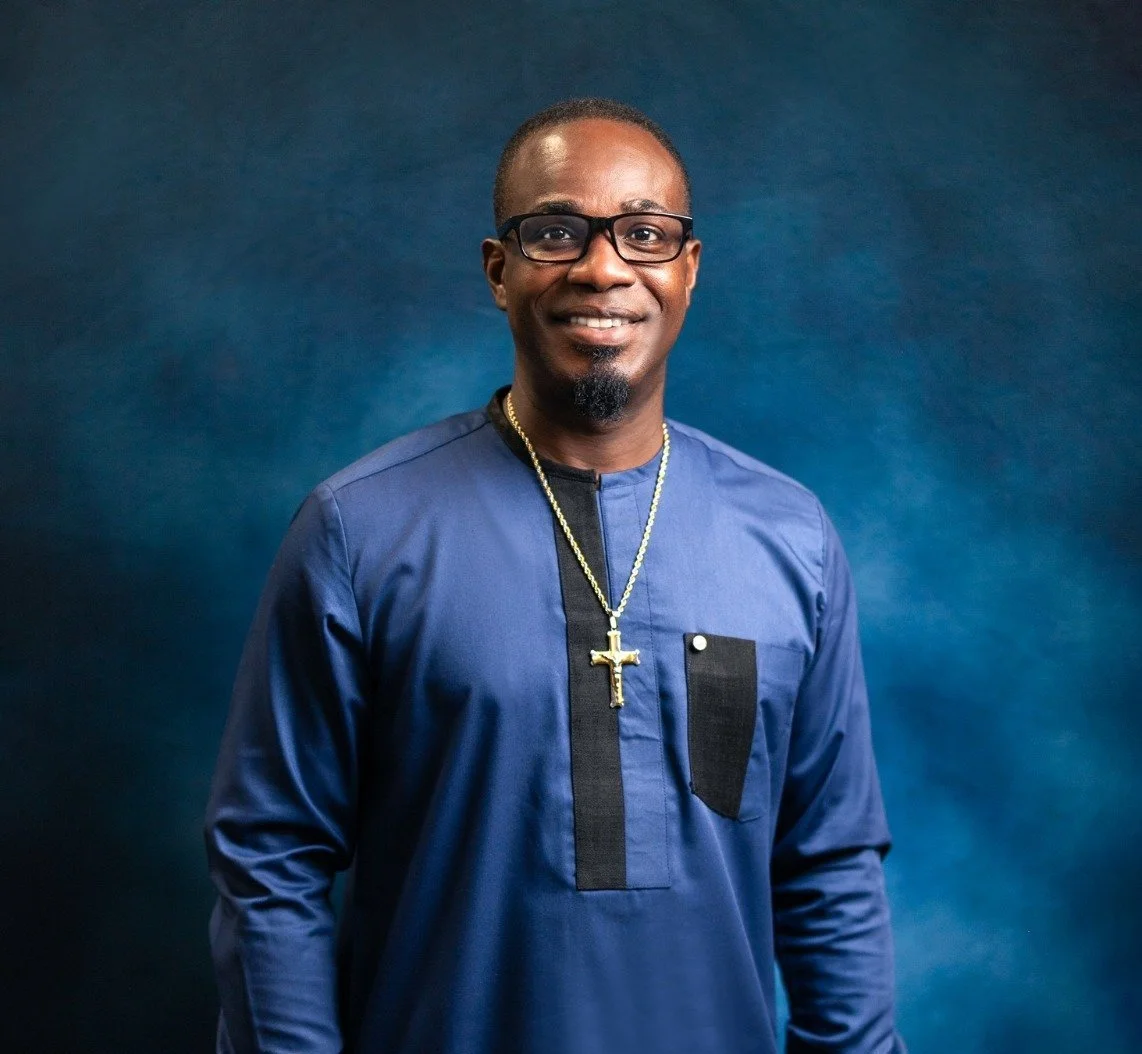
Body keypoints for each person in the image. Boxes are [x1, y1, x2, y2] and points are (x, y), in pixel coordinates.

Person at [204, 97, 907, 1054]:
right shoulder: (358, 530)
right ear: (499, 270)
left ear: (688, 271)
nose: (604, 266)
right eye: (556, 232)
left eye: (645, 234)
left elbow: (829, 868)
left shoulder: (790, 537)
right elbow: (272, 860)